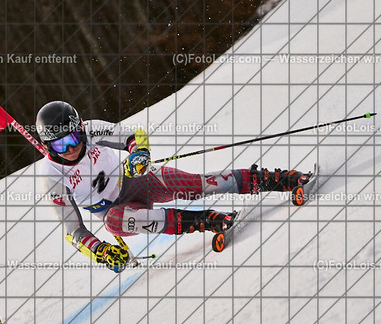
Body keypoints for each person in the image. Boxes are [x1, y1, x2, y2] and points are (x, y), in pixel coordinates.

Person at [36, 101, 311, 273]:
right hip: (117, 210)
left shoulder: (92, 130)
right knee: (114, 222)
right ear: (49, 147)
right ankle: (204, 220)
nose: (70, 148)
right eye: (60, 144)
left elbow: (134, 136)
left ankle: (277, 180)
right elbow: (73, 232)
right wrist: (101, 252)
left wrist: (138, 154)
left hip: (135, 180)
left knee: (196, 185)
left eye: (73, 138)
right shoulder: (52, 177)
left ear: (80, 128)